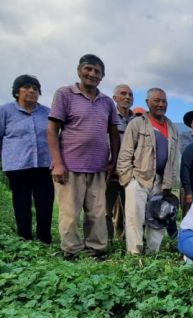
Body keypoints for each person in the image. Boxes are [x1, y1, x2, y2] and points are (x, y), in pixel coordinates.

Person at [47, 54, 120, 260]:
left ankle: (96, 249)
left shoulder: (106, 102)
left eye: (97, 71)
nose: (92, 74)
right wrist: (58, 163)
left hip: (98, 166)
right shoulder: (65, 94)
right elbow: (52, 130)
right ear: (79, 70)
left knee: (97, 212)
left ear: (102, 76)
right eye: (88, 69)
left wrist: (112, 162)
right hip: (70, 165)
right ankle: (71, 250)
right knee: (70, 213)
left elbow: (113, 134)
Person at [117, 88, 179, 255]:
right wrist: (128, 179)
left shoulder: (172, 127)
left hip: (161, 181)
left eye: (164, 101)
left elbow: (174, 159)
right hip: (139, 177)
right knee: (134, 218)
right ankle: (135, 254)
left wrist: (170, 182)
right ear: (147, 102)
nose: (161, 104)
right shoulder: (137, 123)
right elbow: (125, 153)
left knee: (159, 217)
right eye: (157, 100)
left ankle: (153, 253)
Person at [0, 75, 54, 244]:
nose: (32, 91)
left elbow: (56, 137)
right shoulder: (5, 111)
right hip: (18, 166)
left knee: (45, 203)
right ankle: (25, 239)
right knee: (21, 203)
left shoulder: (47, 112)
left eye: (35, 89)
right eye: (27, 87)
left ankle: (44, 238)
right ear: (17, 92)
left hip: (44, 166)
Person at [106, 84, 134, 241]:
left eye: (130, 94)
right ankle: (106, 241)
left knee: (129, 210)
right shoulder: (108, 116)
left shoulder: (137, 120)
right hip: (109, 171)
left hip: (129, 173)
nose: (127, 97)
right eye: (123, 94)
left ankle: (124, 241)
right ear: (114, 98)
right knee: (105, 210)